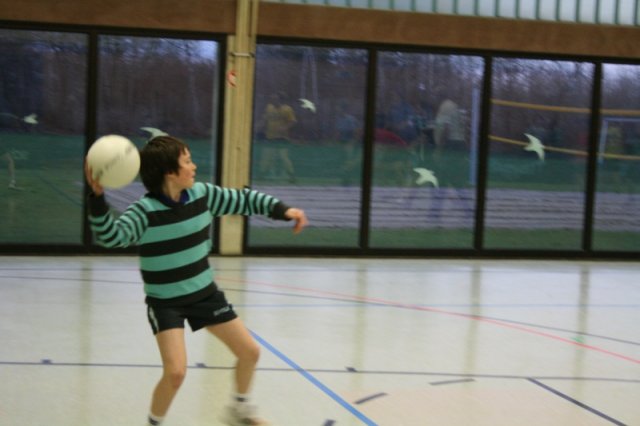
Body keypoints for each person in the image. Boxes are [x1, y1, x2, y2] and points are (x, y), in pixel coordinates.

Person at [85, 135, 308, 426]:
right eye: (187, 161)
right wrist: (97, 199)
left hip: (205, 294)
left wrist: (283, 210)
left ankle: (239, 410)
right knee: (176, 373)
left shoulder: (203, 195)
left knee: (250, 352)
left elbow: (244, 199)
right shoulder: (144, 212)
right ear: (170, 172)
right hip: (166, 303)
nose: (194, 167)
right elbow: (110, 237)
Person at [256, 91, 297, 182]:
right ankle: (261, 174)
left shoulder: (287, 109)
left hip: (282, 138)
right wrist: (259, 125)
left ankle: (291, 175)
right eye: (272, 99)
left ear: (280, 100)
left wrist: (285, 127)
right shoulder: (269, 108)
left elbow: (293, 121)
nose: (273, 100)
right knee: (266, 157)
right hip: (270, 137)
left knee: (284, 157)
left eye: (275, 99)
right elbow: (265, 119)